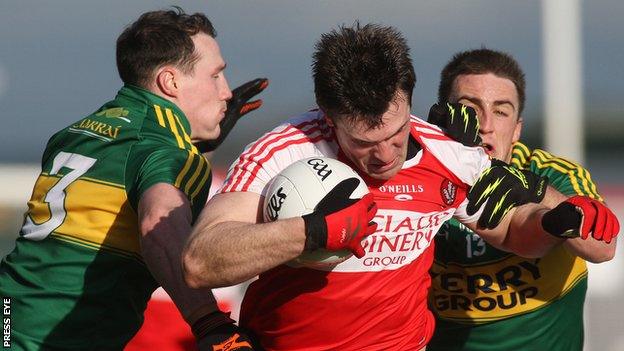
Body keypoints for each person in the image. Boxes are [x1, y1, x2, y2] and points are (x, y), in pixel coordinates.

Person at [182, 24, 618, 350]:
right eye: (364, 144)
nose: (386, 155)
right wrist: (311, 233)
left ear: (409, 100)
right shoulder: (282, 151)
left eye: (396, 134)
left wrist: (555, 221)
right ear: (329, 118)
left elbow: (513, 232)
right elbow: (201, 261)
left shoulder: (447, 152)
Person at [0, 8, 266, 350]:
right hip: (52, 341)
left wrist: (194, 144)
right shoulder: (167, 150)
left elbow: (125, 179)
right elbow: (158, 220)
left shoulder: (77, 132)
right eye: (215, 76)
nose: (227, 92)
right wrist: (210, 322)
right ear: (170, 82)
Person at [427, 48, 618, 351]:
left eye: (501, 111)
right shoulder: (413, 173)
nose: (486, 124)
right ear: (442, 115)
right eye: (471, 107)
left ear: (516, 130)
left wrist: (537, 190)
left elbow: (602, 248)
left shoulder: (551, 173)